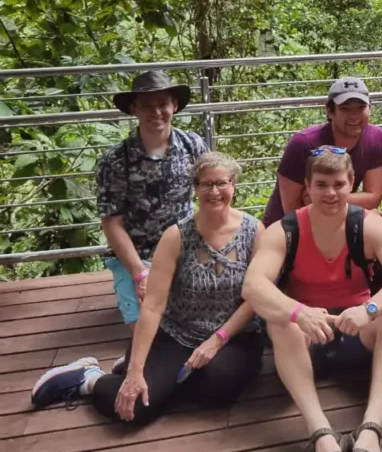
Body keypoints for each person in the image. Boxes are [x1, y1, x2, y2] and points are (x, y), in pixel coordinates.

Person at [32, 153, 264, 423]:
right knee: (133, 408)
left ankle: (161, 377)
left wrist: (216, 340)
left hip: (234, 336)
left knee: (219, 387)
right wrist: (135, 372)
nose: (214, 192)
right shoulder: (177, 236)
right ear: (195, 188)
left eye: (221, 183)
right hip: (178, 333)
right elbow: (153, 305)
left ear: (234, 185)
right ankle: (88, 378)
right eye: (205, 185)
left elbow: (256, 297)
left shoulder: (254, 231)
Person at [242, 149, 382, 452]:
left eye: (338, 184)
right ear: (307, 187)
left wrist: (370, 309)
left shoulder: (368, 225)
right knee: (279, 317)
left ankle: (371, 427)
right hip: (308, 338)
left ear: (351, 183)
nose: (331, 193)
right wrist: (298, 312)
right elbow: (253, 285)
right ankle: (321, 433)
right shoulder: (285, 230)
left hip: (357, 329)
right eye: (321, 184)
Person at [96, 70, 207, 333]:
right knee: (147, 331)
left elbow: (212, 197)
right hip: (135, 255)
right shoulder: (115, 160)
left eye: (162, 104)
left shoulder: (193, 145)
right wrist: (139, 274)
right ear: (134, 109)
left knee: (204, 317)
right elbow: (112, 223)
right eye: (146, 105)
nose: (155, 112)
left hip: (184, 248)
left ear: (175, 106)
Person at [262, 77, 382, 226]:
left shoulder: (377, 139)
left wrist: (318, 198)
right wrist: (353, 208)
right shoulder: (303, 144)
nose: (354, 115)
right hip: (285, 227)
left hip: (338, 223)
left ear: (370, 109)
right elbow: (291, 208)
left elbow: (373, 198)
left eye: (361, 107)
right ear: (330, 112)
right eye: (345, 108)